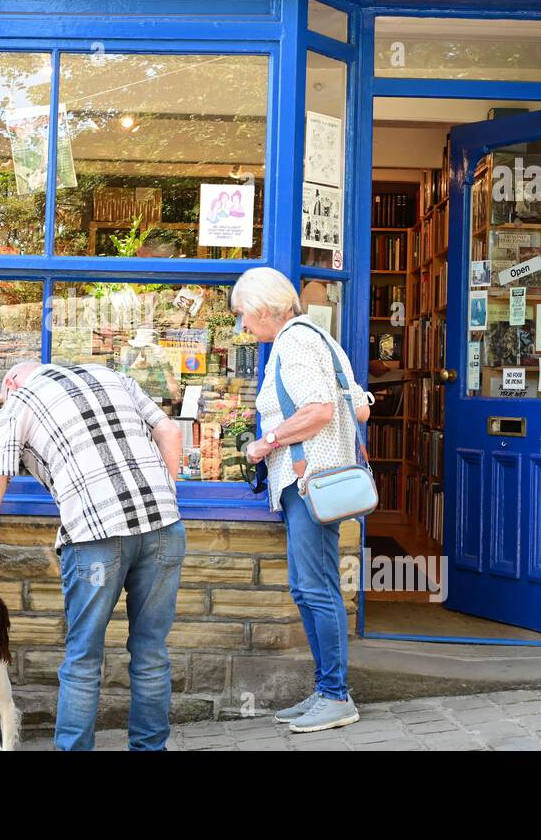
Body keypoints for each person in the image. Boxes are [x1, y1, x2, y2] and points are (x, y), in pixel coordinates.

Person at [0, 360, 184, 751]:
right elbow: (169, 429)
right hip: (164, 526)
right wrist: (167, 495)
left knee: (83, 657)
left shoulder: (18, 403)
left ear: (10, 382)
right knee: (151, 652)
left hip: (96, 536)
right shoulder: (111, 375)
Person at [231, 267, 371, 734]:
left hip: (308, 481)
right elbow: (360, 406)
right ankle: (327, 690)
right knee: (312, 587)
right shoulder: (320, 337)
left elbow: (320, 411)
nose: (242, 327)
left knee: (313, 589)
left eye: (243, 316)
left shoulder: (293, 342)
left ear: (263, 309)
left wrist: (264, 442)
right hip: (320, 480)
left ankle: (334, 696)